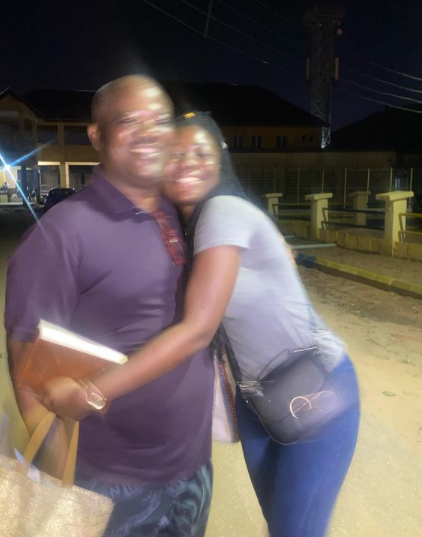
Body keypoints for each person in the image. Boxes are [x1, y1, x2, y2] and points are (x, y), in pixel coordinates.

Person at [42, 112, 360, 537]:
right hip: (257, 400)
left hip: (313, 389)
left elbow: (196, 330)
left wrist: (91, 393)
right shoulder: (181, 228)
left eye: (201, 153)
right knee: (282, 525)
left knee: (297, 530)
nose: (187, 163)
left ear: (220, 161)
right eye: (174, 155)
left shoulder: (223, 211)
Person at [5, 81, 214, 537]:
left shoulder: (181, 213)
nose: (149, 132)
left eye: (160, 121)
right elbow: (28, 377)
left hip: (192, 468)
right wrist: (67, 490)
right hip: (110, 482)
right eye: (129, 121)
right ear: (96, 134)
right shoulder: (62, 234)